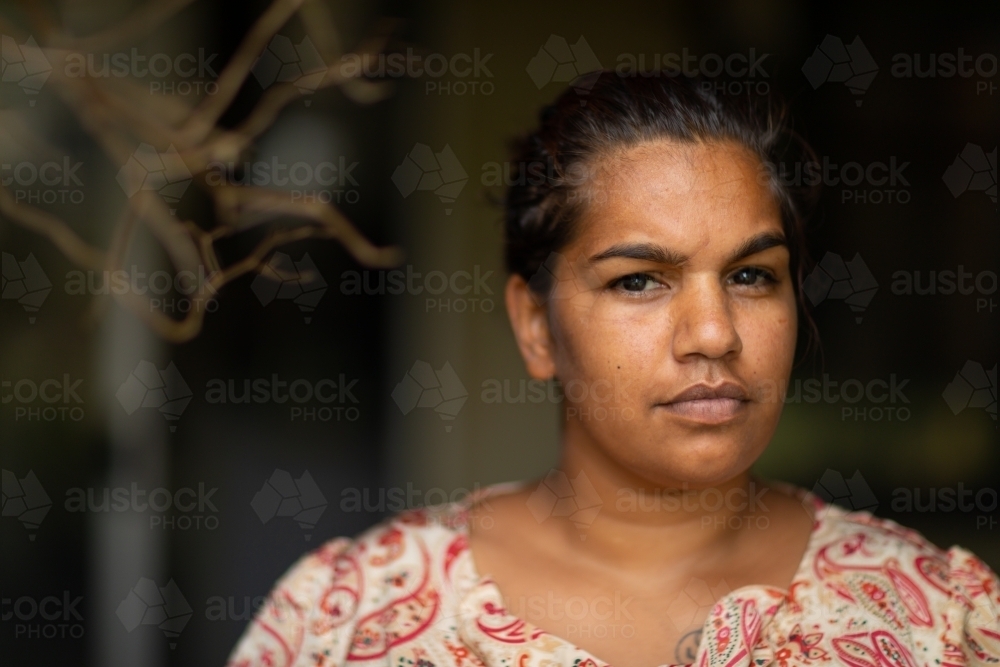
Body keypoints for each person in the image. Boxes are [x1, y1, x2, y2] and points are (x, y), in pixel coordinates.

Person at [227, 72, 1000, 667]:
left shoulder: (940, 619)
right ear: (536, 326)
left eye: (751, 275)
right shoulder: (349, 614)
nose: (713, 333)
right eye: (638, 280)